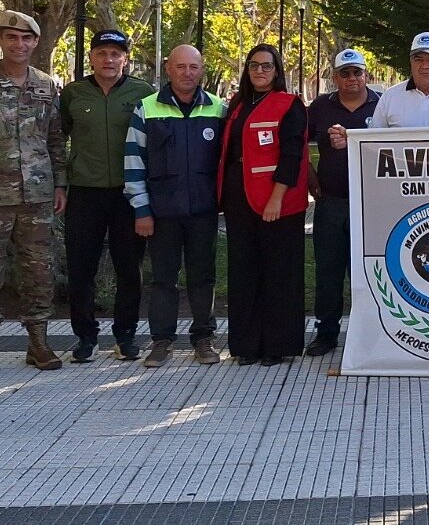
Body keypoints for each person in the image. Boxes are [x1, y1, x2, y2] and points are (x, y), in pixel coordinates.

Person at [0, 10, 67, 376]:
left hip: (37, 195)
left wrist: (61, 184)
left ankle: (39, 342)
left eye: (26, 39)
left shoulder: (47, 85)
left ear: (35, 43)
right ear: (0, 40)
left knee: (39, 270)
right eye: (11, 38)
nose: (19, 45)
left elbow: (55, 140)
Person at [124, 44, 227, 368]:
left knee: (203, 277)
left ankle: (204, 338)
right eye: (180, 67)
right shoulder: (147, 109)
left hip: (203, 211)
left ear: (202, 69)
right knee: (163, 279)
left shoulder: (218, 109)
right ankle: (161, 341)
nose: (187, 73)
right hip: (161, 213)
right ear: (168, 69)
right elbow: (133, 162)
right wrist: (141, 210)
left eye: (193, 67)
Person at [59, 29, 155, 363]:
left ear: (126, 58)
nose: (109, 60)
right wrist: (61, 184)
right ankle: (85, 336)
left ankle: (126, 335)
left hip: (128, 195)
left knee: (128, 268)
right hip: (85, 192)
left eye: (116, 54)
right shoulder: (73, 94)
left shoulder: (143, 93)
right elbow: (60, 140)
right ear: (92, 57)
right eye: (102, 53)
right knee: (81, 268)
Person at [219, 44, 310, 365]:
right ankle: (246, 346)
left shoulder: (291, 105)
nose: (260, 71)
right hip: (238, 197)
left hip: (277, 200)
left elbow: (292, 155)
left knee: (279, 272)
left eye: (266, 66)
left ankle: (276, 345)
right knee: (243, 271)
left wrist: (276, 198)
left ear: (277, 71)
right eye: (254, 65)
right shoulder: (237, 105)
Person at [307, 48, 379, 356]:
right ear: (335, 77)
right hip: (332, 202)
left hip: (373, 203)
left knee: (370, 270)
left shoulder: (382, 104)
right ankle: (326, 333)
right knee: (329, 270)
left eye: (357, 72)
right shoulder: (320, 107)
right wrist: (310, 178)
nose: (352, 78)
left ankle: (373, 333)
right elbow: (299, 145)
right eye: (345, 73)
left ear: (366, 74)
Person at [371, 32, 429, 128]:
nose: (424, 66)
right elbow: (373, 139)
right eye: (418, 60)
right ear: (411, 62)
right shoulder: (390, 97)